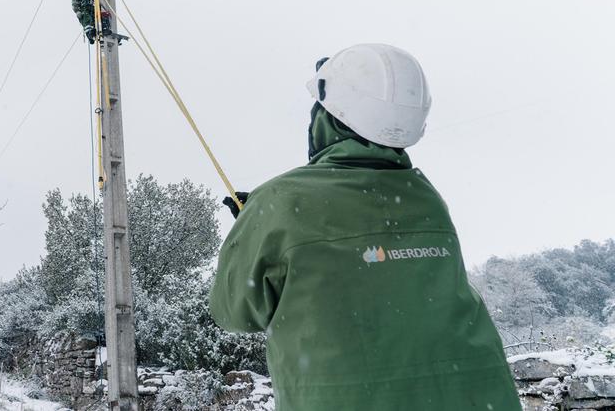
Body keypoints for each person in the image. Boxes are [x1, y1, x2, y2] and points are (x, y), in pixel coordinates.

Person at [210, 44, 521, 411]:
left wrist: (250, 233)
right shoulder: (425, 197)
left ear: (330, 118)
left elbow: (234, 312)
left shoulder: (279, 202)